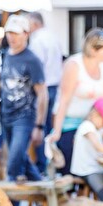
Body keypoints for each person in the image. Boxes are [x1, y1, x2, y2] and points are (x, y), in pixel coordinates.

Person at [47, 27, 103, 175]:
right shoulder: (74, 65)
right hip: (71, 126)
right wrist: (57, 131)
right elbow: (64, 101)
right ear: (94, 50)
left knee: (102, 170)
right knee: (71, 173)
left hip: (96, 129)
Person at [0, 15, 47, 181]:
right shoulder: (5, 55)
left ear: (26, 34)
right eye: (9, 33)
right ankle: (44, 194)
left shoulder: (32, 59)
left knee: (13, 166)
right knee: (21, 161)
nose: (11, 37)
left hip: (24, 117)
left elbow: (42, 94)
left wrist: (39, 125)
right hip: (6, 115)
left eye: (16, 33)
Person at [28, 11, 63, 175]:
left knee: (40, 126)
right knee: (49, 127)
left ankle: (43, 166)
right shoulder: (53, 37)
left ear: (34, 24)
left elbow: (36, 67)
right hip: (54, 86)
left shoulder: (37, 40)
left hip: (44, 88)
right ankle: (49, 163)